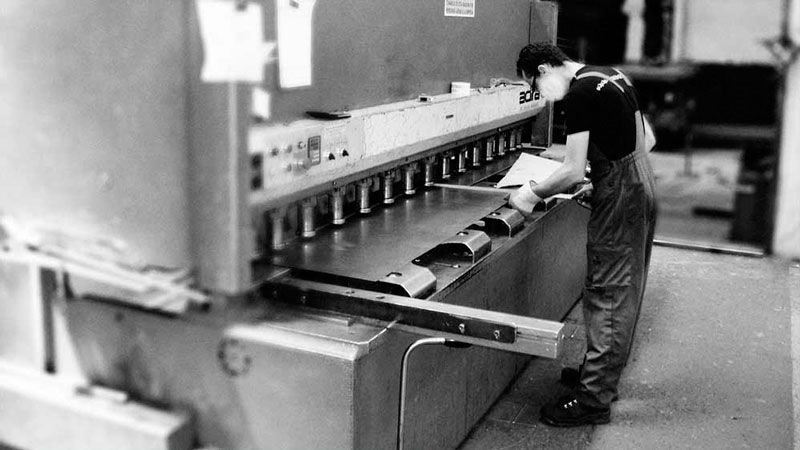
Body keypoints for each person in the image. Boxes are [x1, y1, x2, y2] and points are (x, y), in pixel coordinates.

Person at [507, 42, 658, 427]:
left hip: (622, 196)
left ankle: (593, 399)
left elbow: (572, 170)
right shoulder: (609, 74)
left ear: (544, 69)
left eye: (537, 87)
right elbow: (646, 140)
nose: (543, 97)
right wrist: (605, 178)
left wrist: (530, 192)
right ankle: (599, 373)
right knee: (624, 289)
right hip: (638, 183)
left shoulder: (578, 93)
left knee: (608, 292)